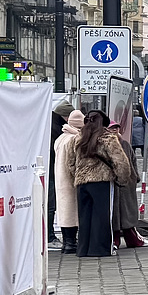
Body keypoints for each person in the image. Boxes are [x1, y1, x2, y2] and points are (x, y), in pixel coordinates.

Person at [70, 110, 135, 257]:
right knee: (103, 215)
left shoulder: (78, 138)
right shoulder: (108, 138)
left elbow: (71, 162)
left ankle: (83, 249)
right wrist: (122, 179)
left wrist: (78, 175)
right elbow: (120, 162)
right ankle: (100, 248)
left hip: (82, 182)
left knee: (84, 216)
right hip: (102, 181)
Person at [110, 120, 148, 249]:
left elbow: (133, 161)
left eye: (116, 128)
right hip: (113, 184)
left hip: (127, 185)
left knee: (127, 213)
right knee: (114, 214)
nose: (115, 131)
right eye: (111, 128)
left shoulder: (125, 144)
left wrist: (135, 177)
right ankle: (114, 240)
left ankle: (132, 239)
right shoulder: (106, 145)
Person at [52, 108, 84, 253]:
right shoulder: (74, 138)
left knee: (64, 211)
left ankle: (67, 243)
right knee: (72, 211)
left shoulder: (61, 137)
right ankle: (71, 243)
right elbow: (75, 161)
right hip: (70, 180)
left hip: (60, 178)